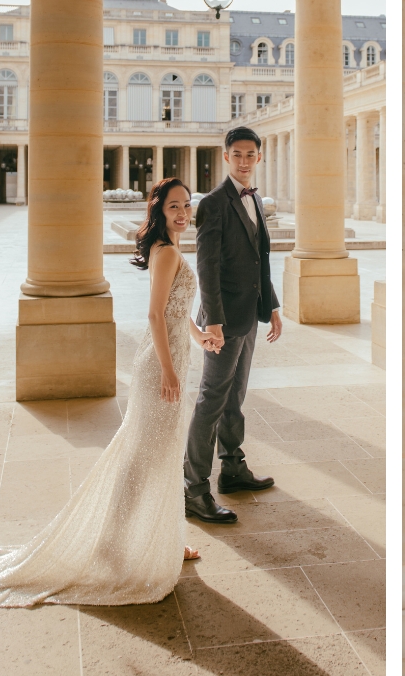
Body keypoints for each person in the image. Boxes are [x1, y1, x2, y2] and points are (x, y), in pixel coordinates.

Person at [0, 179, 218, 608]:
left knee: (161, 454)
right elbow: (156, 315)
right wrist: (170, 371)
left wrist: (198, 338)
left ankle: (164, 540)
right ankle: (111, 546)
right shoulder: (169, 252)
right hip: (160, 369)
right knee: (144, 458)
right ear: (159, 210)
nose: (181, 212)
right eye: (173, 205)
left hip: (167, 362)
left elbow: (176, 314)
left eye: (185, 205)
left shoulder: (169, 250)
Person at [183, 126, 281, 524]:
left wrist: (271, 305)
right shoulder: (213, 203)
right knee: (212, 399)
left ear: (259, 157)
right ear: (226, 157)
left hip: (250, 314)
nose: (243, 161)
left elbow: (261, 258)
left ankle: (233, 468)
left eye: (250, 155)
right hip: (223, 321)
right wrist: (215, 322)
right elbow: (207, 268)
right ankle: (193, 487)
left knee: (235, 395)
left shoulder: (255, 199)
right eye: (236, 155)